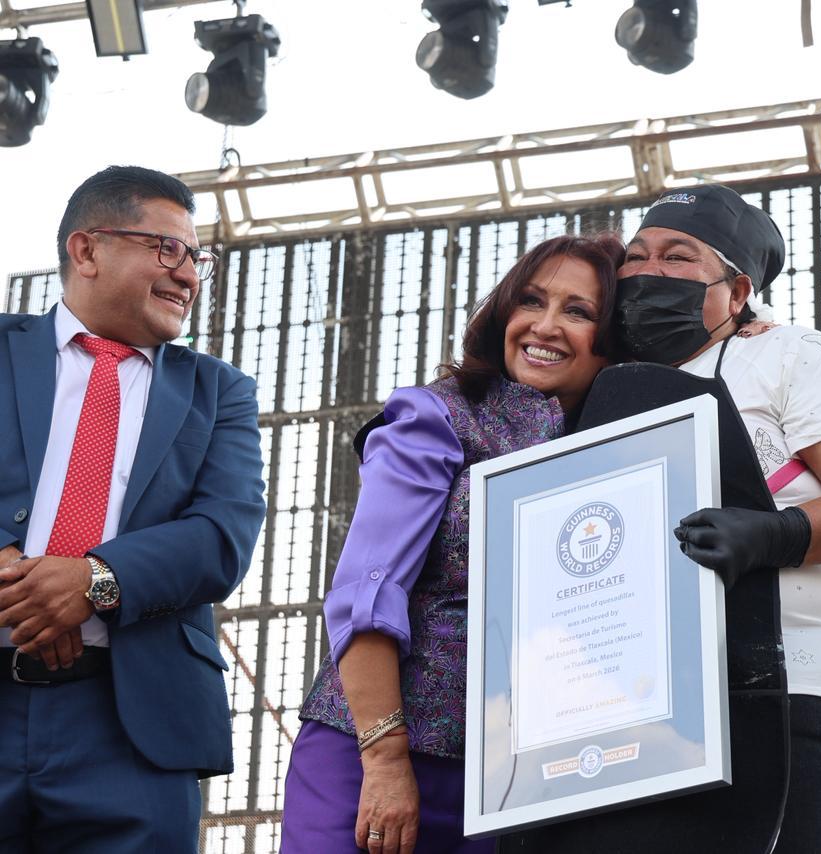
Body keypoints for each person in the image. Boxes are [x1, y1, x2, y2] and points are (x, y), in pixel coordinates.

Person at [612, 184, 821, 851]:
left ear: (737, 293)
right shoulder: (603, 383)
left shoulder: (786, 354)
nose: (649, 272)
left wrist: (777, 535)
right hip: (638, 707)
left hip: (792, 684)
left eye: (678, 257)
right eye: (636, 256)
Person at [280, 233, 626, 854]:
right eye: (531, 300)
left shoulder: (628, 444)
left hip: (528, 779)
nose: (545, 326)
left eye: (578, 311)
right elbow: (367, 593)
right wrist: (386, 760)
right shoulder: (438, 416)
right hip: (375, 757)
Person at [0, 165, 267, 852]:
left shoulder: (220, 393)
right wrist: (20, 585)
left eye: (197, 258)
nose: (188, 275)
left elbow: (222, 535)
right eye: (167, 248)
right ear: (86, 250)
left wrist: (92, 581)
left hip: (133, 731)